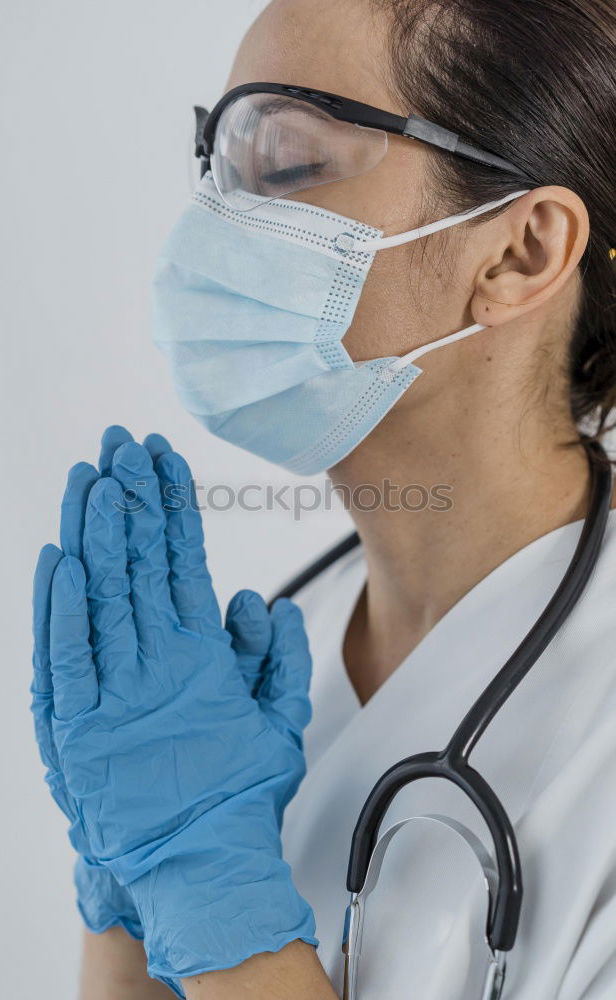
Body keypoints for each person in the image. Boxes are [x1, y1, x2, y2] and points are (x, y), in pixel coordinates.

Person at [31, 0, 616, 997]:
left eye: (289, 165)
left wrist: (212, 893)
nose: (211, 227)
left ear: (519, 254)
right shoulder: (251, 673)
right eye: (216, 163)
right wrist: (134, 887)